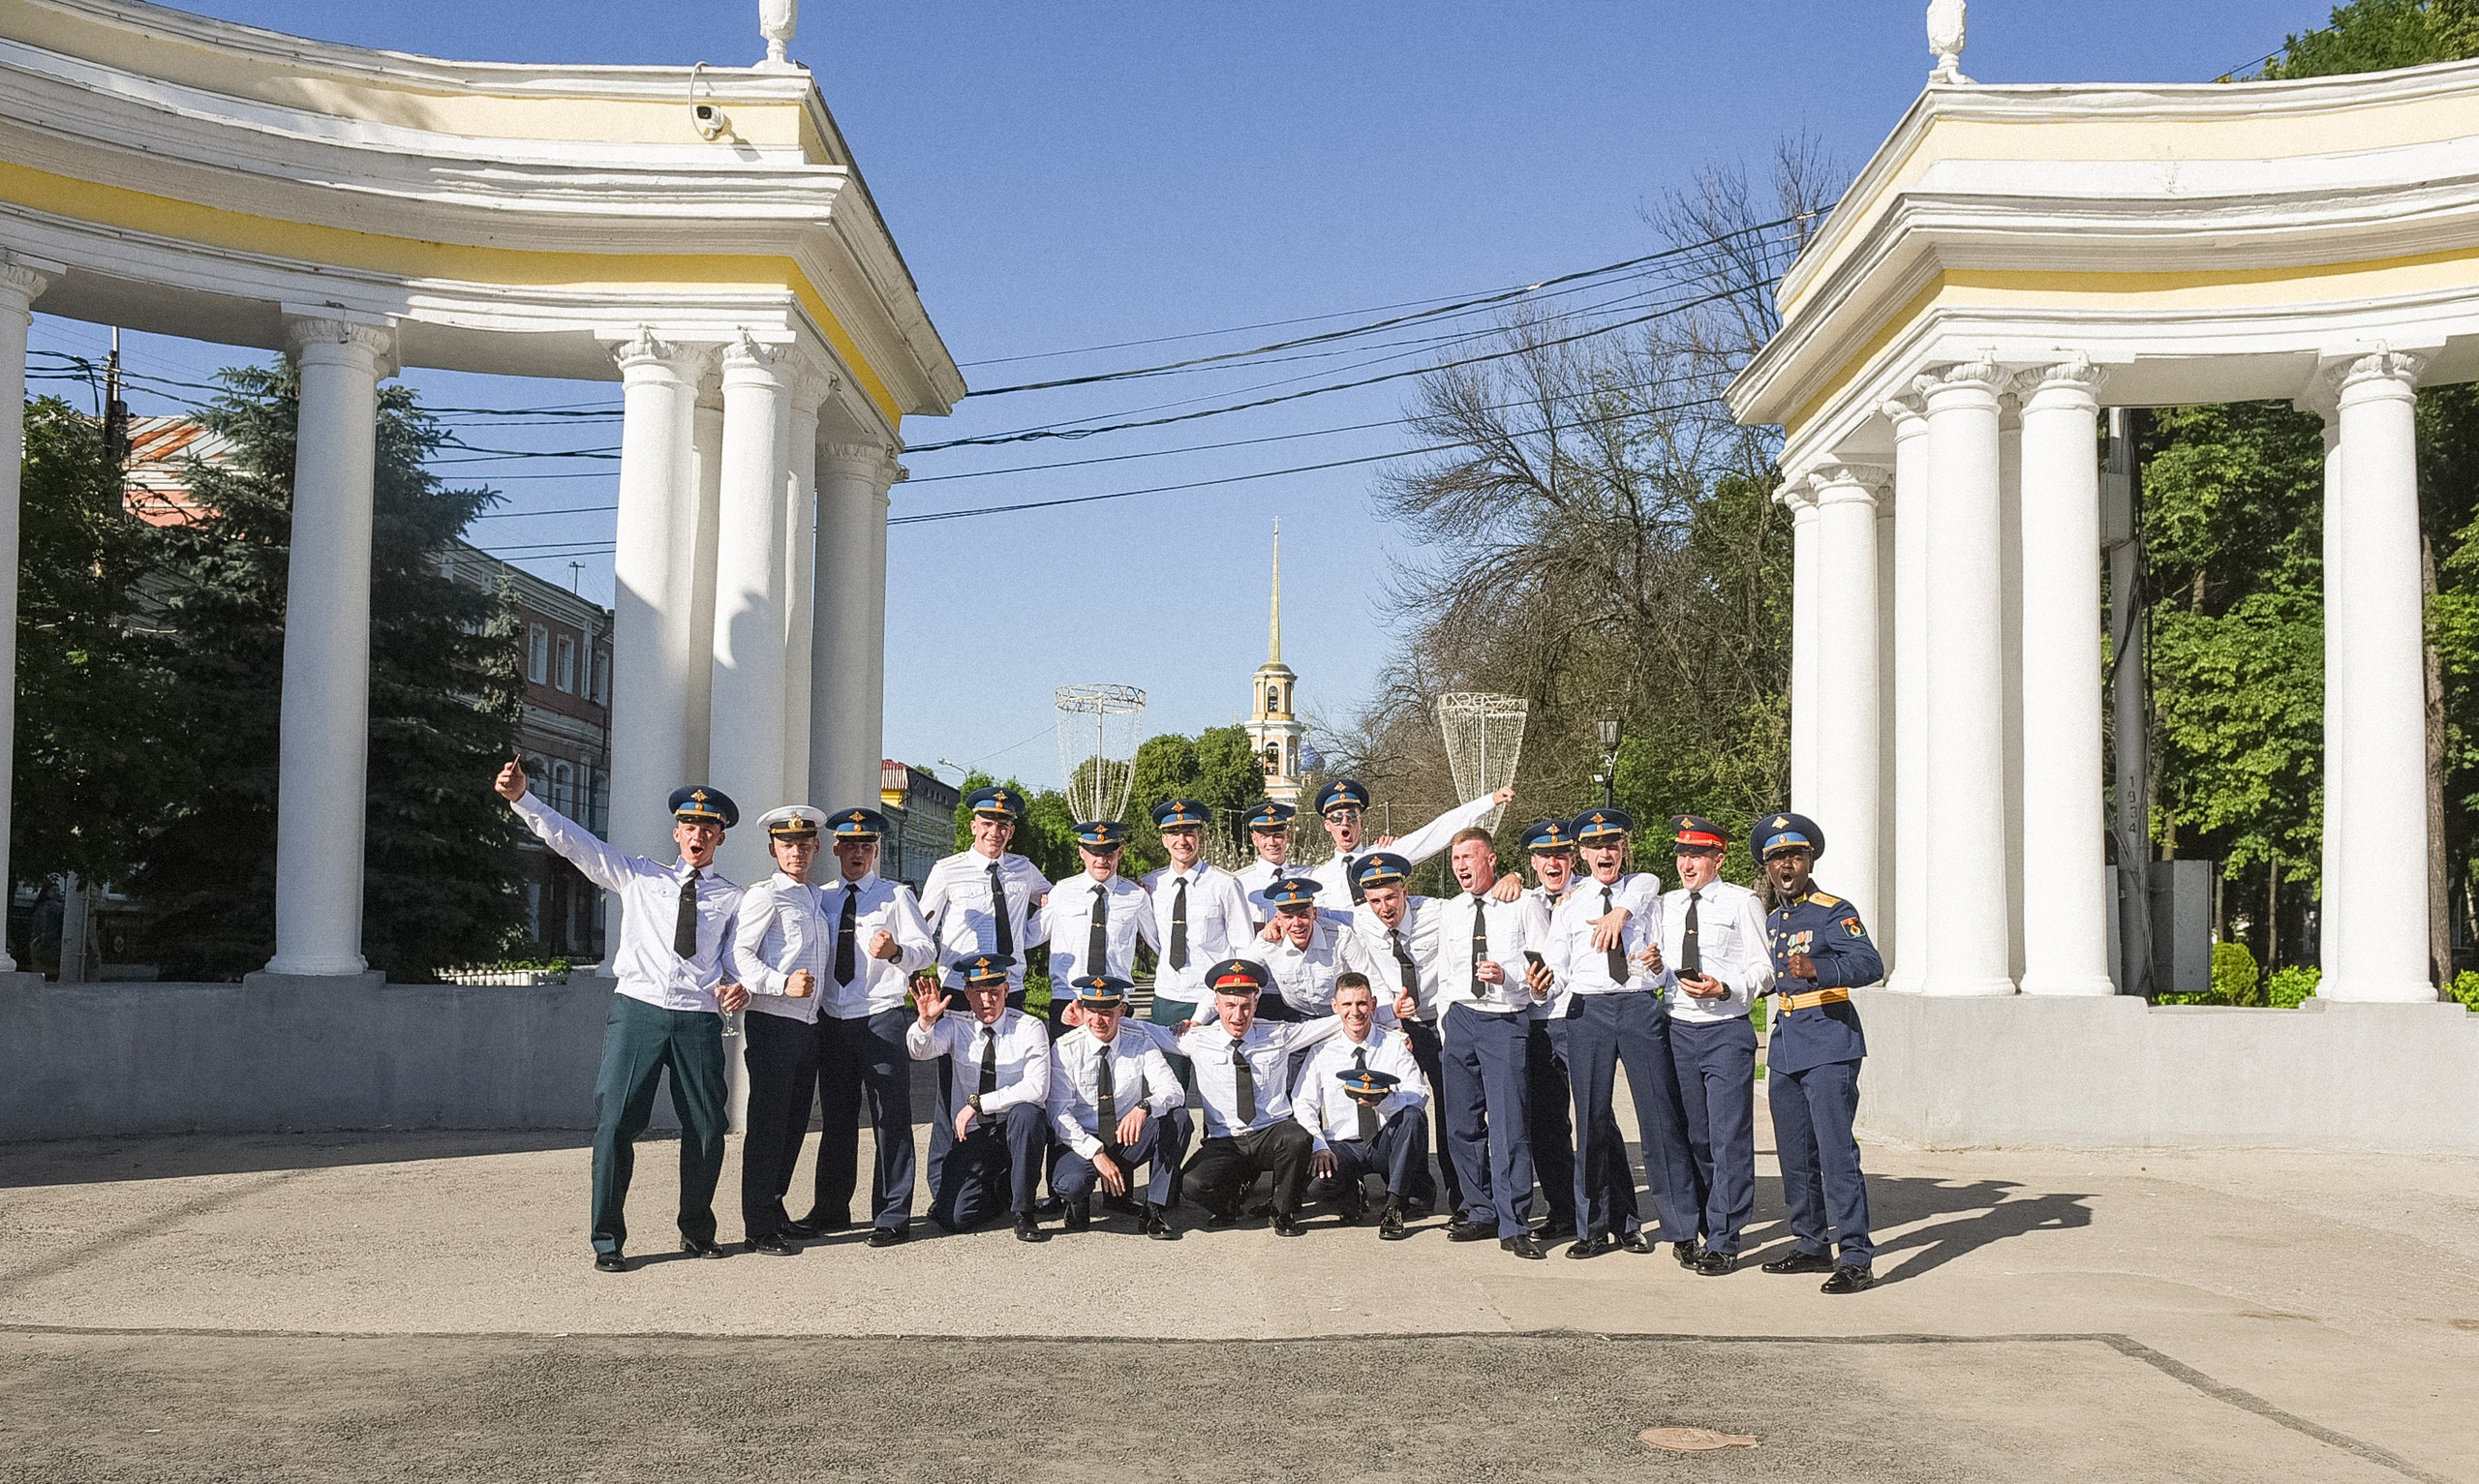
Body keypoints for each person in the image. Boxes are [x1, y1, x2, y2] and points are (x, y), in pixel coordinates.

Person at [495, 762, 745, 1273]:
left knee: (706, 1127)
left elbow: (733, 960)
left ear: (720, 837)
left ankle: (697, 1231)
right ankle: (607, 1240)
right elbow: (576, 843)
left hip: (697, 1017)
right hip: (638, 1012)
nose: (698, 836)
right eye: (690, 826)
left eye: (708, 829)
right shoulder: (639, 875)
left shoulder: (732, 897)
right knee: (615, 1124)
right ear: (676, 833)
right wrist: (523, 800)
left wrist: (735, 984)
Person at [775, 806, 935, 1248]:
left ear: (876, 850)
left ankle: (892, 1214)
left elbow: (927, 949)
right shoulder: (820, 897)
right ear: (836, 848)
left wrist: (897, 951)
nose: (858, 853)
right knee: (837, 1119)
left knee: (891, 1117)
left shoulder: (895, 896)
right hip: (833, 1018)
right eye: (850, 845)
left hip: (881, 1015)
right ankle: (831, 1208)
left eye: (866, 846)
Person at [1548, 807, 1699, 1262]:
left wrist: (1623, 916)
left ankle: (1683, 1231)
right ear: (1582, 854)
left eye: (1612, 845)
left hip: (1638, 1006)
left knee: (1660, 1120)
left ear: (1623, 849)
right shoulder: (1570, 904)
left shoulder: (1644, 891)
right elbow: (1557, 967)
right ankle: (1594, 1227)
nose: (1604, 853)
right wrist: (1538, 983)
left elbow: (1649, 884)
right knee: (1591, 1122)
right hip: (1588, 1011)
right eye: (1595, 847)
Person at [1752, 811, 1883, 1294]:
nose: (1785, 865)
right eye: (1777, 858)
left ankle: (1856, 1257)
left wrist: (1819, 969)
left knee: (1835, 1153)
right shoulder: (1772, 920)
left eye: (1794, 856)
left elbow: (1870, 964)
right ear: (1768, 867)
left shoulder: (1833, 911)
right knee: (1795, 1155)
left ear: (1809, 861)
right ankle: (1810, 1244)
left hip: (1829, 1043)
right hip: (1786, 1047)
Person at [917, 785, 1051, 1193]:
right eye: (988, 823)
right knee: (953, 1093)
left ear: (1012, 831)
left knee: (1011, 1083)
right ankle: (943, 1186)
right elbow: (923, 925)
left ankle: (1006, 1185)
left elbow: (1052, 901)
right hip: (961, 990)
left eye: (1003, 825)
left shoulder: (1024, 869)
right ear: (973, 825)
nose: (995, 831)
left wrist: (1030, 934)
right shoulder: (948, 869)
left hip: (1011, 987)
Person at [1661, 814, 1774, 1276]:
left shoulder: (1742, 902)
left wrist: (1725, 988)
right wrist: (1650, 963)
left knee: (1729, 1138)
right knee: (1696, 1136)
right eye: (1682, 855)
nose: (1687, 864)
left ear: (1718, 859)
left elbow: (1764, 969)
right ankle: (1706, 1222)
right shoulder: (1667, 904)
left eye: (1697, 856)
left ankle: (1725, 1238)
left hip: (1724, 1029)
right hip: (1677, 1029)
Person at [1431, 828, 1550, 1258]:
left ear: (1492, 859)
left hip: (1503, 1018)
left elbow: (1545, 968)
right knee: (1461, 1123)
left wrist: (1509, 977)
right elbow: (1446, 971)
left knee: (1508, 1124)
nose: (1461, 866)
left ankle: (1514, 1222)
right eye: (1456, 859)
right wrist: (1446, 1022)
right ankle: (1480, 1210)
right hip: (1461, 1018)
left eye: (1469, 856)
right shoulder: (1452, 910)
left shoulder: (1523, 904)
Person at [1178, 958, 1348, 1234]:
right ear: (1217, 1005)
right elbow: (1145, 1032)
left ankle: (1282, 1211)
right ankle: (1230, 1204)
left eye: (1246, 1006)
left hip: (1270, 1133)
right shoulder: (1196, 1039)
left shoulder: (1277, 1034)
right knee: (1193, 1184)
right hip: (1226, 1140)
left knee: (1298, 1138)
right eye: (1230, 1006)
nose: (1238, 1016)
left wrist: (1384, 1017)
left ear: (1256, 1004)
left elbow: (1332, 1024)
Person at [730, 804, 831, 1256]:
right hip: (773, 1022)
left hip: (809, 1024)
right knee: (768, 1125)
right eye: (787, 844)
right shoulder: (764, 896)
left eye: (804, 844)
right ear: (773, 849)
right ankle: (758, 1226)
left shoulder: (815, 897)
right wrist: (778, 983)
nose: (797, 852)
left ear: (816, 847)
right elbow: (740, 956)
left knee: (793, 1124)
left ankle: (775, 1208)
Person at [908, 953, 1054, 1242]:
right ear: (967, 993)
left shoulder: (1029, 1027)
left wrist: (977, 1104)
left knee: (1028, 1113)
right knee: (953, 1218)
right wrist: (926, 1022)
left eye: (994, 992)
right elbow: (920, 1052)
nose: (986, 1000)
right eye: (978, 992)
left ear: (1007, 990)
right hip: (975, 1135)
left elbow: (1036, 1088)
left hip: (1013, 1130)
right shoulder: (956, 1025)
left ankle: (1024, 1212)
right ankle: (999, 1193)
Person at [1343, 851, 1455, 1217]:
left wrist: (1512, 882)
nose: (1384, 908)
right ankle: (1413, 1188)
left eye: (1391, 897)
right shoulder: (1360, 917)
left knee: (1451, 1110)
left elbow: (1479, 903)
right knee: (1403, 1105)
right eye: (1375, 900)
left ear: (1405, 890)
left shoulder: (1437, 911)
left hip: (1439, 1022)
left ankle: (1460, 1194)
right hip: (1398, 1026)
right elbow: (1315, 913)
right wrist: (1273, 925)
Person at [1046, 975, 1189, 1240]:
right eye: (1091, 1011)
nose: (1098, 1020)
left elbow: (1173, 1090)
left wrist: (1144, 1106)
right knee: (1071, 1184)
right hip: (1082, 1139)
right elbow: (1058, 1113)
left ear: (1121, 1010)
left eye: (1107, 1013)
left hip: (1125, 1136)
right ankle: (1077, 1201)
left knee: (1178, 1119)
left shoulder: (1140, 1040)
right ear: (1081, 1010)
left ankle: (1154, 1209)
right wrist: (1095, 1152)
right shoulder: (1066, 1048)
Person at [1293, 973, 1429, 1239]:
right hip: (1344, 1146)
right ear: (1335, 1006)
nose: (1355, 1012)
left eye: (1362, 1003)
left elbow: (1419, 1094)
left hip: (1385, 1142)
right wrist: (1319, 1146)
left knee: (1413, 1117)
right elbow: (1303, 1103)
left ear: (1373, 1004)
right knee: (1316, 1187)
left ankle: (1393, 1207)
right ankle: (1352, 1193)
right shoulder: (1322, 1051)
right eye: (1347, 1004)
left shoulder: (1394, 1044)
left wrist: (1384, 1101)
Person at [1515, 818, 1594, 1244]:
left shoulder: (1590, 894)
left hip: (1579, 1015)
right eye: (1544, 856)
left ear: (1572, 858)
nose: (1553, 863)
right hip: (1537, 1021)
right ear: (1532, 862)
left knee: (1596, 1118)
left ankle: (1611, 1214)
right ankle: (1563, 1210)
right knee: (1547, 1125)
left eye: (1561, 854)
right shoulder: (1523, 899)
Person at [1140, 799, 1256, 1050]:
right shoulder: (1151, 885)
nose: (1182, 841)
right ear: (1164, 840)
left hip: (1215, 998)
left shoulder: (1224, 884)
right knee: (1170, 1073)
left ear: (1201, 837)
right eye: (1173, 834)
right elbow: (1155, 940)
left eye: (1189, 833)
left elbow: (1244, 946)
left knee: (1217, 1073)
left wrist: (1230, 996)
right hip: (1167, 998)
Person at [1306, 778, 1515, 905]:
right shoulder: (1320, 876)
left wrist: (1489, 801)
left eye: (1352, 816)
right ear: (1327, 825)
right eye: (1337, 818)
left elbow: (1435, 832)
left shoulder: (1385, 854)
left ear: (1361, 821)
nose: (1345, 822)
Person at [1039, 819, 1154, 1027]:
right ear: (1082, 852)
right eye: (1095, 853)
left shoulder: (1136, 896)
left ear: (1120, 853)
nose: (1102, 860)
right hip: (1069, 998)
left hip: (1115, 999)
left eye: (1109, 854)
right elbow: (1028, 937)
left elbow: (1160, 943)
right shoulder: (1061, 892)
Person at [1258, 876, 1383, 1024]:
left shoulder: (1341, 937)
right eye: (1288, 917)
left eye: (1303, 915)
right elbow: (1243, 972)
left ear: (1315, 914)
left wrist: (1390, 1022)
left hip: (1338, 1017)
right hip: (1294, 1017)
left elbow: (1371, 979)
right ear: (1278, 919)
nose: (1297, 923)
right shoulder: (1268, 942)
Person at [1234, 800, 1310, 921]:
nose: (1272, 843)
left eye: (1278, 836)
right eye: (1264, 837)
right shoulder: (1240, 882)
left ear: (1287, 836)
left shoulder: (1309, 875)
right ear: (1254, 840)